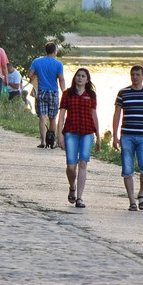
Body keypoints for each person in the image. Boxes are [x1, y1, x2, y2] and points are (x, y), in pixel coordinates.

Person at [111, 64, 143, 211]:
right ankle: (132, 201)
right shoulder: (123, 93)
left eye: (138, 74)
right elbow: (117, 114)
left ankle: (141, 193)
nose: (135, 77)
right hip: (127, 136)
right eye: (133, 74)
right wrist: (115, 135)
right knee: (127, 169)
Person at [57, 68, 101, 209]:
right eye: (78, 76)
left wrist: (98, 135)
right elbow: (62, 115)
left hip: (87, 132)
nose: (80, 78)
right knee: (71, 166)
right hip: (71, 131)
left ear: (87, 80)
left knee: (83, 163)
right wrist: (60, 134)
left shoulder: (91, 95)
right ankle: (72, 186)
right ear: (75, 78)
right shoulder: (67, 94)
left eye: (83, 76)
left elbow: (94, 114)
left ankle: (80, 198)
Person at [29, 41, 66, 148]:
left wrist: (36, 76)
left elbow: (30, 75)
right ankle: (52, 141)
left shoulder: (37, 61)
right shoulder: (58, 64)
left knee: (42, 117)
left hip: (41, 92)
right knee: (53, 118)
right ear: (55, 51)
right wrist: (65, 92)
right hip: (53, 92)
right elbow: (61, 79)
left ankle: (43, 141)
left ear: (46, 51)